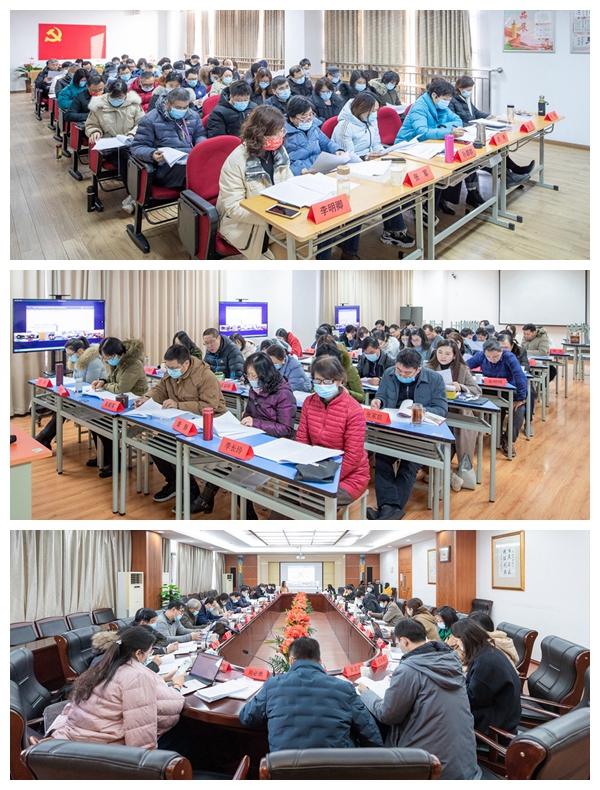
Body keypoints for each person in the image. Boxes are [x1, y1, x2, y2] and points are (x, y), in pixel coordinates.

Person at [357, 619, 481, 780]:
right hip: (464, 766)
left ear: (404, 641)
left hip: (430, 768)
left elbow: (387, 714)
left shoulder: (409, 670)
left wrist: (366, 692)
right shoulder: (450, 662)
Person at [48, 626, 185, 749]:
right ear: (138, 653)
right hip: (104, 750)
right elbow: (141, 736)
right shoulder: (137, 676)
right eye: (149, 653)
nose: (149, 657)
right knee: (184, 733)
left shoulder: (103, 665)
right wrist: (177, 686)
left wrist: (162, 679)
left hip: (76, 740)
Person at [239, 636, 382, 751]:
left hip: (285, 772)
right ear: (320, 661)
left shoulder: (273, 685)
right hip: (334, 772)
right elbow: (370, 732)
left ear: (291, 661)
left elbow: (246, 717)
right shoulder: (344, 688)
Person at [134, 343, 226, 510]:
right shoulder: (171, 372)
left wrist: (178, 405)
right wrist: (146, 398)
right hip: (181, 423)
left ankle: (192, 492)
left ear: (186, 363)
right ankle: (174, 483)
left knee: (176, 450)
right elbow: (160, 390)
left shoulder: (205, 376)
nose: (170, 371)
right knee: (155, 445)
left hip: (207, 426)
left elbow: (209, 406)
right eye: (167, 367)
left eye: (173, 368)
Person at [367, 347, 448, 520]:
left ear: (418, 369)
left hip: (421, 436)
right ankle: (390, 511)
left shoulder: (434, 379)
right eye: (399, 370)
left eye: (407, 373)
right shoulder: (389, 374)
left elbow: (441, 410)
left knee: (409, 464)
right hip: (392, 432)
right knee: (381, 459)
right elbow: (381, 395)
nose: (402, 375)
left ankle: (386, 510)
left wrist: (420, 410)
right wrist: (378, 401)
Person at [333, 93, 414, 248]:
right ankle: (391, 231)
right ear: (362, 110)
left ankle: (395, 229)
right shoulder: (344, 126)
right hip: (352, 169)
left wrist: (381, 153)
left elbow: (376, 142)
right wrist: (365, 157)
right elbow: (346, 157)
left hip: (371, 164)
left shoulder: (370, 120)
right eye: (373, 111)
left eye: (376, 110)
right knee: (384, 187)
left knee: (394, 181)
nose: (375, 114)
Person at [217, 105, 294, 259]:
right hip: (246, 224)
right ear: (258, 134)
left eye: (281, 131)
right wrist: (271, 218)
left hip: (278, 217)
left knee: (302, 245)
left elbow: (289, 184)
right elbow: (233, 208)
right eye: (274, 134)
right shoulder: (237, 161)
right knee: (293, 244)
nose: (279, 137)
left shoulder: (279, 152)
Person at [296, 356, 370, 509]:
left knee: (312, 507)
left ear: (339, 380)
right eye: (317, 381)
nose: (322, 385)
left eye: (327, 381)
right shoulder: (309, 402)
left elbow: (353, 456)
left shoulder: (353, 409)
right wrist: (306, 473)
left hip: (349, 475)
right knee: (285, 502)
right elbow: (302, 440)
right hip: (316, 467)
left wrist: (321, 479)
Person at [449, 75, 533, 189]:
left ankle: (513, 172)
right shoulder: (452, 100)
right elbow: (455, 122)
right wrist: (473, 126)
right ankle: (508, 175)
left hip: (474, 130)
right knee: (488, 152)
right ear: (460, 88)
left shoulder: (466, 98)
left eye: (471, 90)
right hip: (466, 133)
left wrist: (488, 116)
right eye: (468, 90)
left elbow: (475, 112)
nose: (469, 92)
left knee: (499, 148)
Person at [426, 339, 482, 488]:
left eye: (447, 353)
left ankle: (451, 471)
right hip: (436, 412)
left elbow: (477, 390)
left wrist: (461, 387)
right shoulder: (428, 367)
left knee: (462, 432)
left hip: (459, 412)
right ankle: (445, 473)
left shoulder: (462, 369)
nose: (443, 356)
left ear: (454, 355)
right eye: (440, 352)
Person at [451, 618, 522, 735]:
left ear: (465, 639)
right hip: (502, 712)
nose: (456, 643)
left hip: (495, 724)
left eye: (456, 640)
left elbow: (471, 700)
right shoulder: (488, 650)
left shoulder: (484, 663)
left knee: (445, 714)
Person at [88, 337, 147, 477]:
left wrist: (105, 386)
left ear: (117, 353)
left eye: (108, 357)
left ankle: (116, 462)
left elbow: (121, 388)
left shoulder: (134, 364)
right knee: (93, 421)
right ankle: (104, 457)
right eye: (104, 358)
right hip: (119, 402)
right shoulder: (116, 361)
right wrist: (103, 381)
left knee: (104, 424)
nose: (107, 360)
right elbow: (111, 378)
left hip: (135, 405)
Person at [35, 336, 105, 449]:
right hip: (82, 397)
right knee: (60, 407)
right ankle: (44, 438)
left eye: (70, 354)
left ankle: (43, 437)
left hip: (95, 400)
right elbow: (76, 381)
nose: (69, 357)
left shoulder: (93, 362)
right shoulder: (78, 362)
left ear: (80, 351)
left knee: (62, 408)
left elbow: (89, 385)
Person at [131, 87, 206, 191]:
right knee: (194, 174)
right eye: (178, 107)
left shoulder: (193, 116)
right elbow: (137, 147)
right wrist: (152, 154)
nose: (182, 111)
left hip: (190, 160)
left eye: (185, 107)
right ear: (167, 103)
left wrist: (200, 146)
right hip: (166, 168)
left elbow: (200, 135)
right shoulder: (150, 120)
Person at [85, 78, 144, 211]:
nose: (117, 100)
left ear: (126, 95)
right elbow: (91, 124)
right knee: (126, 160)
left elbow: (142, 123)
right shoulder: (98, 106)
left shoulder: (134, 104)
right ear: (108, 93)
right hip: (110, 147)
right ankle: (133, 196)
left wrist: (132, 134)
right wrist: (95, 131)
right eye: (113, 97)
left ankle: (143, 193)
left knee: (143, 159)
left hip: (131, 142)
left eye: (120, 98)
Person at [467, 337, 527, 456]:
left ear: (501, 351)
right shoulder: (481, 355)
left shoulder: (509, 357)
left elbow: (519, 376)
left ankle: (508, 439)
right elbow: (465, 366)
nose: (492, 359)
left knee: (518, 411)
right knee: (493, 411)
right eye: (489, 357)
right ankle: (496, 435)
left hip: (510, 390)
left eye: (495, 356)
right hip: (492, 391)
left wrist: (521, 398)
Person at [284, 96, 343, 175]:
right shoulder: (284, 134)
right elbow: (283, 163)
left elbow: (327, 143)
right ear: (291, 118)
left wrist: (337, 150)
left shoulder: (314, 127)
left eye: (311, 114)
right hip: (302, 173)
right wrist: (299, 170)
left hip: (320, 168)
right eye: (304, 117)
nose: (309, 119)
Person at [314, 336, 365, 403]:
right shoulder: (317, 371)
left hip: (345, 404)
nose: (325, 364)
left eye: (329, 361)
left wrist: (348, 393)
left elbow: (362, 397)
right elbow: (312, 390)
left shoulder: (349, 370)